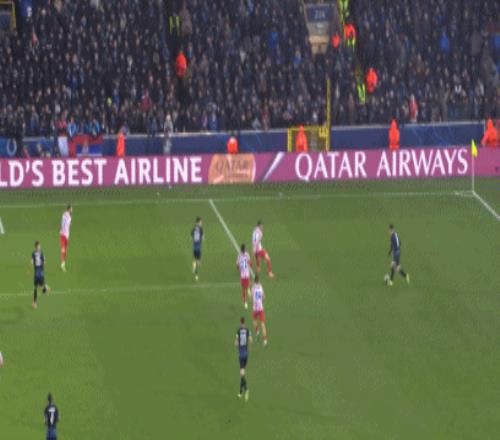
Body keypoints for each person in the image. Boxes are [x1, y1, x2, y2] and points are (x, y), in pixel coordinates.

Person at [235, 316, 252, 401]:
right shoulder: (248, 330)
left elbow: (235, 343)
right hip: (246, 355)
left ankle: (246, 389)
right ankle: (240, 392)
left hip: (241, 355)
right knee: (242, 373)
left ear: (240, 322)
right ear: (244, 322)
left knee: (242, 374)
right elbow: (251, 340)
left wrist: (237, 345)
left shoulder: (238, 330)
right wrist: (248, 348)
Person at [32, 241, 50, 309]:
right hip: (39, 272)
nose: (39, 247)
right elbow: (44, 261)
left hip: (38, 273)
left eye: (39, 246)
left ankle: (45, 288)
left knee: (38, 288)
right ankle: (34, 302)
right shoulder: (38, 253)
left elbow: (43, 261)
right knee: (38, 287)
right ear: (36, 247)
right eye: (39, 246)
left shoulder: (37, 253)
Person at [251, 275, 268, 346]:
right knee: (263, 324)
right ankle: (265, 340)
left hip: (255, 308)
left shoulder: (253, 288)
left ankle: (257, 331)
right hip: (261, 308)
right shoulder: (261, 287)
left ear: (254, 281)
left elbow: (252, 297)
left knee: (254, 320)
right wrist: (261, 300)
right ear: (259, 280)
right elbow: (264, 297)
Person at [236, 244, 252, 309]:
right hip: (247, 273)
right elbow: (250, 263)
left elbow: (237, 266)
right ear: (245, 249)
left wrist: (239, 269)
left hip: (242, 275)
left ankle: (245, 303)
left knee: (243, 289)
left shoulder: (239, 256)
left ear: (240, 249)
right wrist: (248, 266)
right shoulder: (247, 254)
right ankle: (248, 289)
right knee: (247, 284)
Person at [60, 205, 72, 272]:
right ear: (69, 209)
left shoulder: (63, 214)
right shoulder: (69, 217)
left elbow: (62, 224)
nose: (72, 210)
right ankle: (62, 264)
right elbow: (69, 226)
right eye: (71, 209)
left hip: (62, 234)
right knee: (64, 251)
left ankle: (63, 262)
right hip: (66, 235)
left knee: (64, 251)